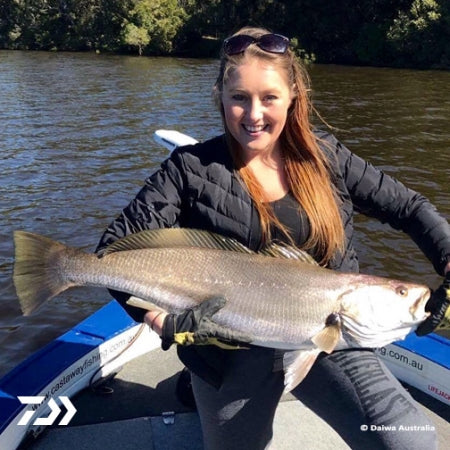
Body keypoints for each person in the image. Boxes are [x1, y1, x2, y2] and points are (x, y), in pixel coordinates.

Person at [97, 26, 449, 450]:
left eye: (269, 98)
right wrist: (158, 319)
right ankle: (193, 384)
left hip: (331, 337)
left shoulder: (327, 157)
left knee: (409, 439)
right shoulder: (190, 169)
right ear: (220, 97)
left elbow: (409, 208)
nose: (253, 115)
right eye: (239, 98)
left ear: (293, 95)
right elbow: (112, 250)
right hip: (225, 353)